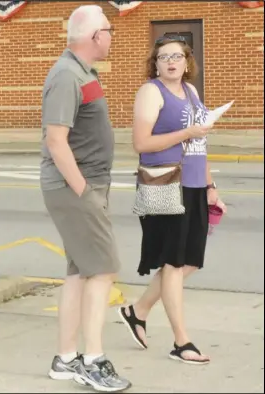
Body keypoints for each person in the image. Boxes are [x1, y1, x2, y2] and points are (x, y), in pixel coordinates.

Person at [118, 35, 226, 365]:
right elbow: (141, 142)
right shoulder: (151, 92)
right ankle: (182, 342)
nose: (171, 62)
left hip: (193, 185)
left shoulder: (191, 93)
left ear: (187, 61)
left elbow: (199, 146)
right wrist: (185, 133)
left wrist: (210, 185)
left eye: (177, 56)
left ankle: (138, 310)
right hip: (165, 184)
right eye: (163, 57)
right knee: (174, 263)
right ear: (156, 62)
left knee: (190, 260)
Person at [40, 5, 131, 393]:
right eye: (108, 30)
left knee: (80, 271)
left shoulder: (81, 72)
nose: (112, 36)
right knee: (104, 269)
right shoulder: (65, 74)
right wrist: (83, 190)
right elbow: (55, 139)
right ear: (95, 36)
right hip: (76, 188)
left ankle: (65, 358)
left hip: (85, 186)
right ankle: (93, 360)